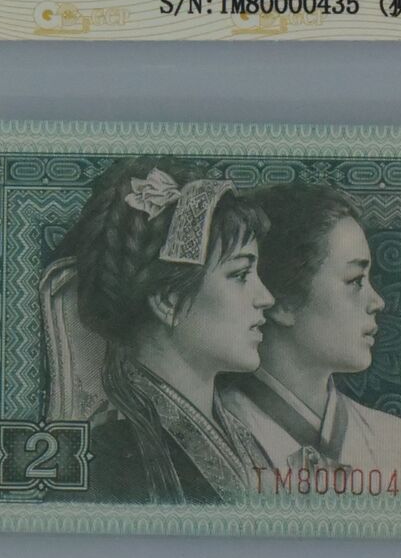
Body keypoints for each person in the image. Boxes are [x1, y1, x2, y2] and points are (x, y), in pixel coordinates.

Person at [48, 156, 274, 504]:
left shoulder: (242, 435)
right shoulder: (107, 463)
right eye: (240, 274)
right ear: (169, 300)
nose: (266, 298)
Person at [218, 183, 401, 497]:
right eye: (355, 280)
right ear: (282, 302)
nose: (377, 302)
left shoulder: (398, 445)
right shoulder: (215, 437)